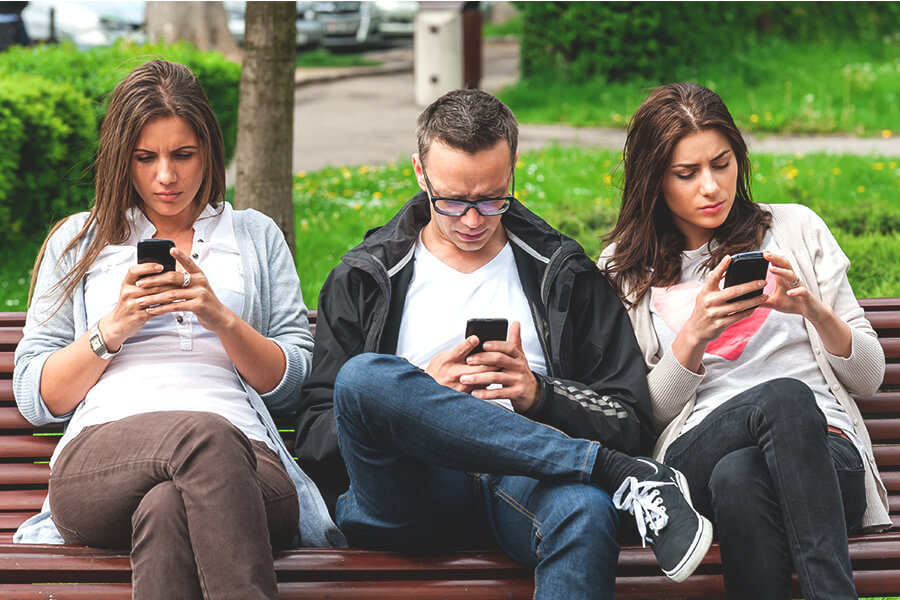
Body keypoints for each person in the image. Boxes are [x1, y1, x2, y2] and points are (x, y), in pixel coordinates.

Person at [294, 88, 713, 598]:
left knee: (583, 511)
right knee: (365, 378)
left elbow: (627, 417)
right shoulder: (365, 275)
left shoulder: (564, 272)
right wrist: (423, 396)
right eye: (451, 201)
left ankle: (600, 473)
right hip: (407, 492)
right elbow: (316, 432)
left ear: (513, 167)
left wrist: (539, 394)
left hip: (522, 481)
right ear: (419, 172)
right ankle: (607, 470)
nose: (472, 220)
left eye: (492, 198)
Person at [13, 60, 344, 599]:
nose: (165, 176)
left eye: (182, 155)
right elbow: (36, 396)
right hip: (102, 464)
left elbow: (291, 384)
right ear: (124, 158)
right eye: (146, 158)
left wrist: (222, 318)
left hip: (251, 471)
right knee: (203, 434)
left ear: (209, 151)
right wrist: (112, 328)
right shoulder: (79, 241)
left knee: (168, 507)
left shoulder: (254, 235)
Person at [599, 82, 889, 600]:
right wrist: (693, 336)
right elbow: (640, 419)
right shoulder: (626, 270)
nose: (711, 187)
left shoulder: (796, 229)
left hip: (826, 459)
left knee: (741, 476)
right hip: (697, 457)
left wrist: (813, 311)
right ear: (653, 181)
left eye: (723, 163)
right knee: (782, 398)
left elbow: (867, 379)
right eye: (686, 174)